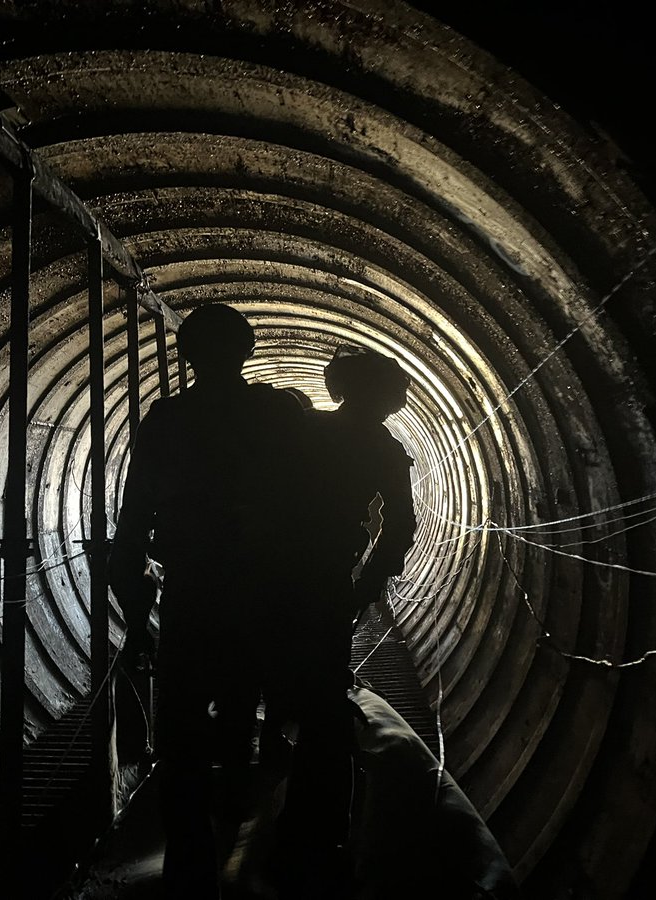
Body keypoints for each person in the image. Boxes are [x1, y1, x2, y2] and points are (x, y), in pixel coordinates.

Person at [108, 303, 304, 899]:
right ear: (246, 349)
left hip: (192, 595)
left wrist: (136, 617)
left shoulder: (166, 419)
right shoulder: (277, 413)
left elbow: (135, 519)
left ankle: (190, 861)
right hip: (261, 595)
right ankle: (237, 843)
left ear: (187, 355)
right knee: (247, 713)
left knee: (181, 731)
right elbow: (311, 511)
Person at [270, 345, 418, 899]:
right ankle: (313, 828)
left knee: (268, 673)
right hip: (327, 580)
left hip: (271, 572)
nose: (401, 394)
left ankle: (255, 779)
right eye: (396, 386)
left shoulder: (301, 430)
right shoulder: (382, 448)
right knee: (324, 698)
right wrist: (365, 587)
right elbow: (399, 526)